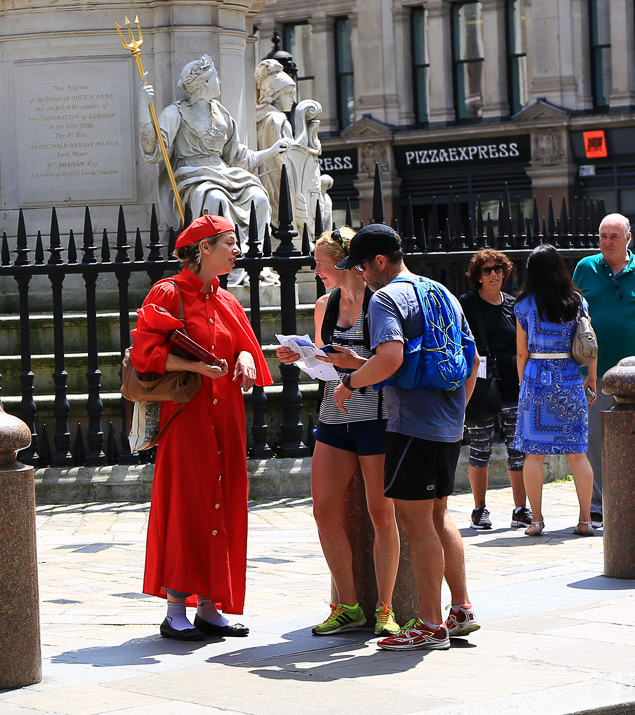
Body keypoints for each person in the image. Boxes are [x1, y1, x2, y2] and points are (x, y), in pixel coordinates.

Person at [334, 224, 479, 651]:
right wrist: (457, 411)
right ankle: (461, 608)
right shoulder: (441, 292)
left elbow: (392, 357)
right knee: (438, 516)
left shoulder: (385, 297)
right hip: (447, 423)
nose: (359, 275)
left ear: (379, 261)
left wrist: (351, 382)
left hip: (411, 425)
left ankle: (431, 625)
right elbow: (470, 358)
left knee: (416, 524)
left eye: (361, 266)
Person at [130, 214, 273, 641]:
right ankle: (176, 608)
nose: (237, 250)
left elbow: (247, 349)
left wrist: (246, 359)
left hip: (225, 417)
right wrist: (194, 365)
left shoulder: (227, 300)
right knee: (187, 503)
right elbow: (145, 354)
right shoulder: (169, 291)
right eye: (229, 242)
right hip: (187, 416)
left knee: (224, 502)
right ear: (203, 248)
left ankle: (211, 607)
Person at [275, 227, 400, 638]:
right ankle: (346, 604)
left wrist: (351, 363)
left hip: (376, 416)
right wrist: (303, 356)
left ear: (341, 263)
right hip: (334, 414)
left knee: (382, 514)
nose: (316, 270)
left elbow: (387, 361)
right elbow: (326, 362)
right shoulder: (325, 305)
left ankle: (385, 607)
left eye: (320, 263)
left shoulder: (379, 301)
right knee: (323, 511)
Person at [572, 213, 635, 529]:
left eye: (613, 236)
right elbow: (571, 318)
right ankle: (598, 504)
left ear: (629, 237)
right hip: (594, 374)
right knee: (594, 439)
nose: (607, 242)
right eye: (602, 236)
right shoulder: (586, 269)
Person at [139, 55, 289, 237]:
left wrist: (272, 151)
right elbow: (154, 150)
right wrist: (143, 107)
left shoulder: (220, 112)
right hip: (194, 177)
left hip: (226, 175)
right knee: (216, 200)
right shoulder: (175, 113)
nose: (219, 81)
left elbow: (239, 157)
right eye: (216, 77)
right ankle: (223, 258)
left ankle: (251, 256)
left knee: (258, 197)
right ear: (205, 82)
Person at [514, 245, 597, 536]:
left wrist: (523, 383)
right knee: (578, 454)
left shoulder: (523, 306)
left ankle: (536, 521)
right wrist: (592, 379)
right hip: (571, 379)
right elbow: (589, 342)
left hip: (536, 380)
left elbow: (521, 354)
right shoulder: (577, 301)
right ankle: (585, 520)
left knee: (533, 455)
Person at [458, 249, 531, 531]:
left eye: (498, 269)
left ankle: (520, 509)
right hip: (480, 384)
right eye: (487, 270)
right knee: (480, 448)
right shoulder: (467, 304)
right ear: (477, 276)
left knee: (517, 449)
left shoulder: (514, 305)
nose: (494, 275)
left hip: (512, 383)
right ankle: (479, 509)